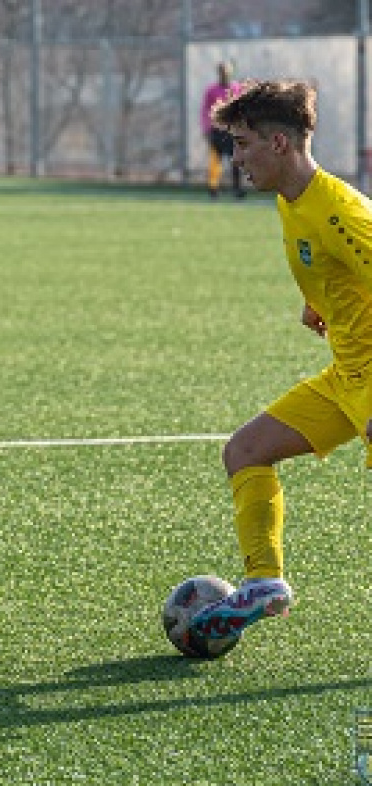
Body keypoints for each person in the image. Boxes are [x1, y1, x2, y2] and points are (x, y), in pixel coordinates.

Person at [187, 79, 372, 647]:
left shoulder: (340, 212)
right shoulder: (292, 201)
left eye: (242, 145)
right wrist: (321, 301)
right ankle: (264, 582)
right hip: (346, 378)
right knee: (245, 452)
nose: (235, 157)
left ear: (279, 144)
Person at [200, 61, 245, 199]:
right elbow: (205, 110)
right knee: (215, 161)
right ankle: (213, 190)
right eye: (222, 71)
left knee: (236, 161)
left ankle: (237, 190)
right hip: (216, 131)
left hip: (232, 131)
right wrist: (206, 128)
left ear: (230, 72)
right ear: (218, 73)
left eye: (227, 71)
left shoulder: (237, 88)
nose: (224, 73)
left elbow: (241, 109)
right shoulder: (211, 90)